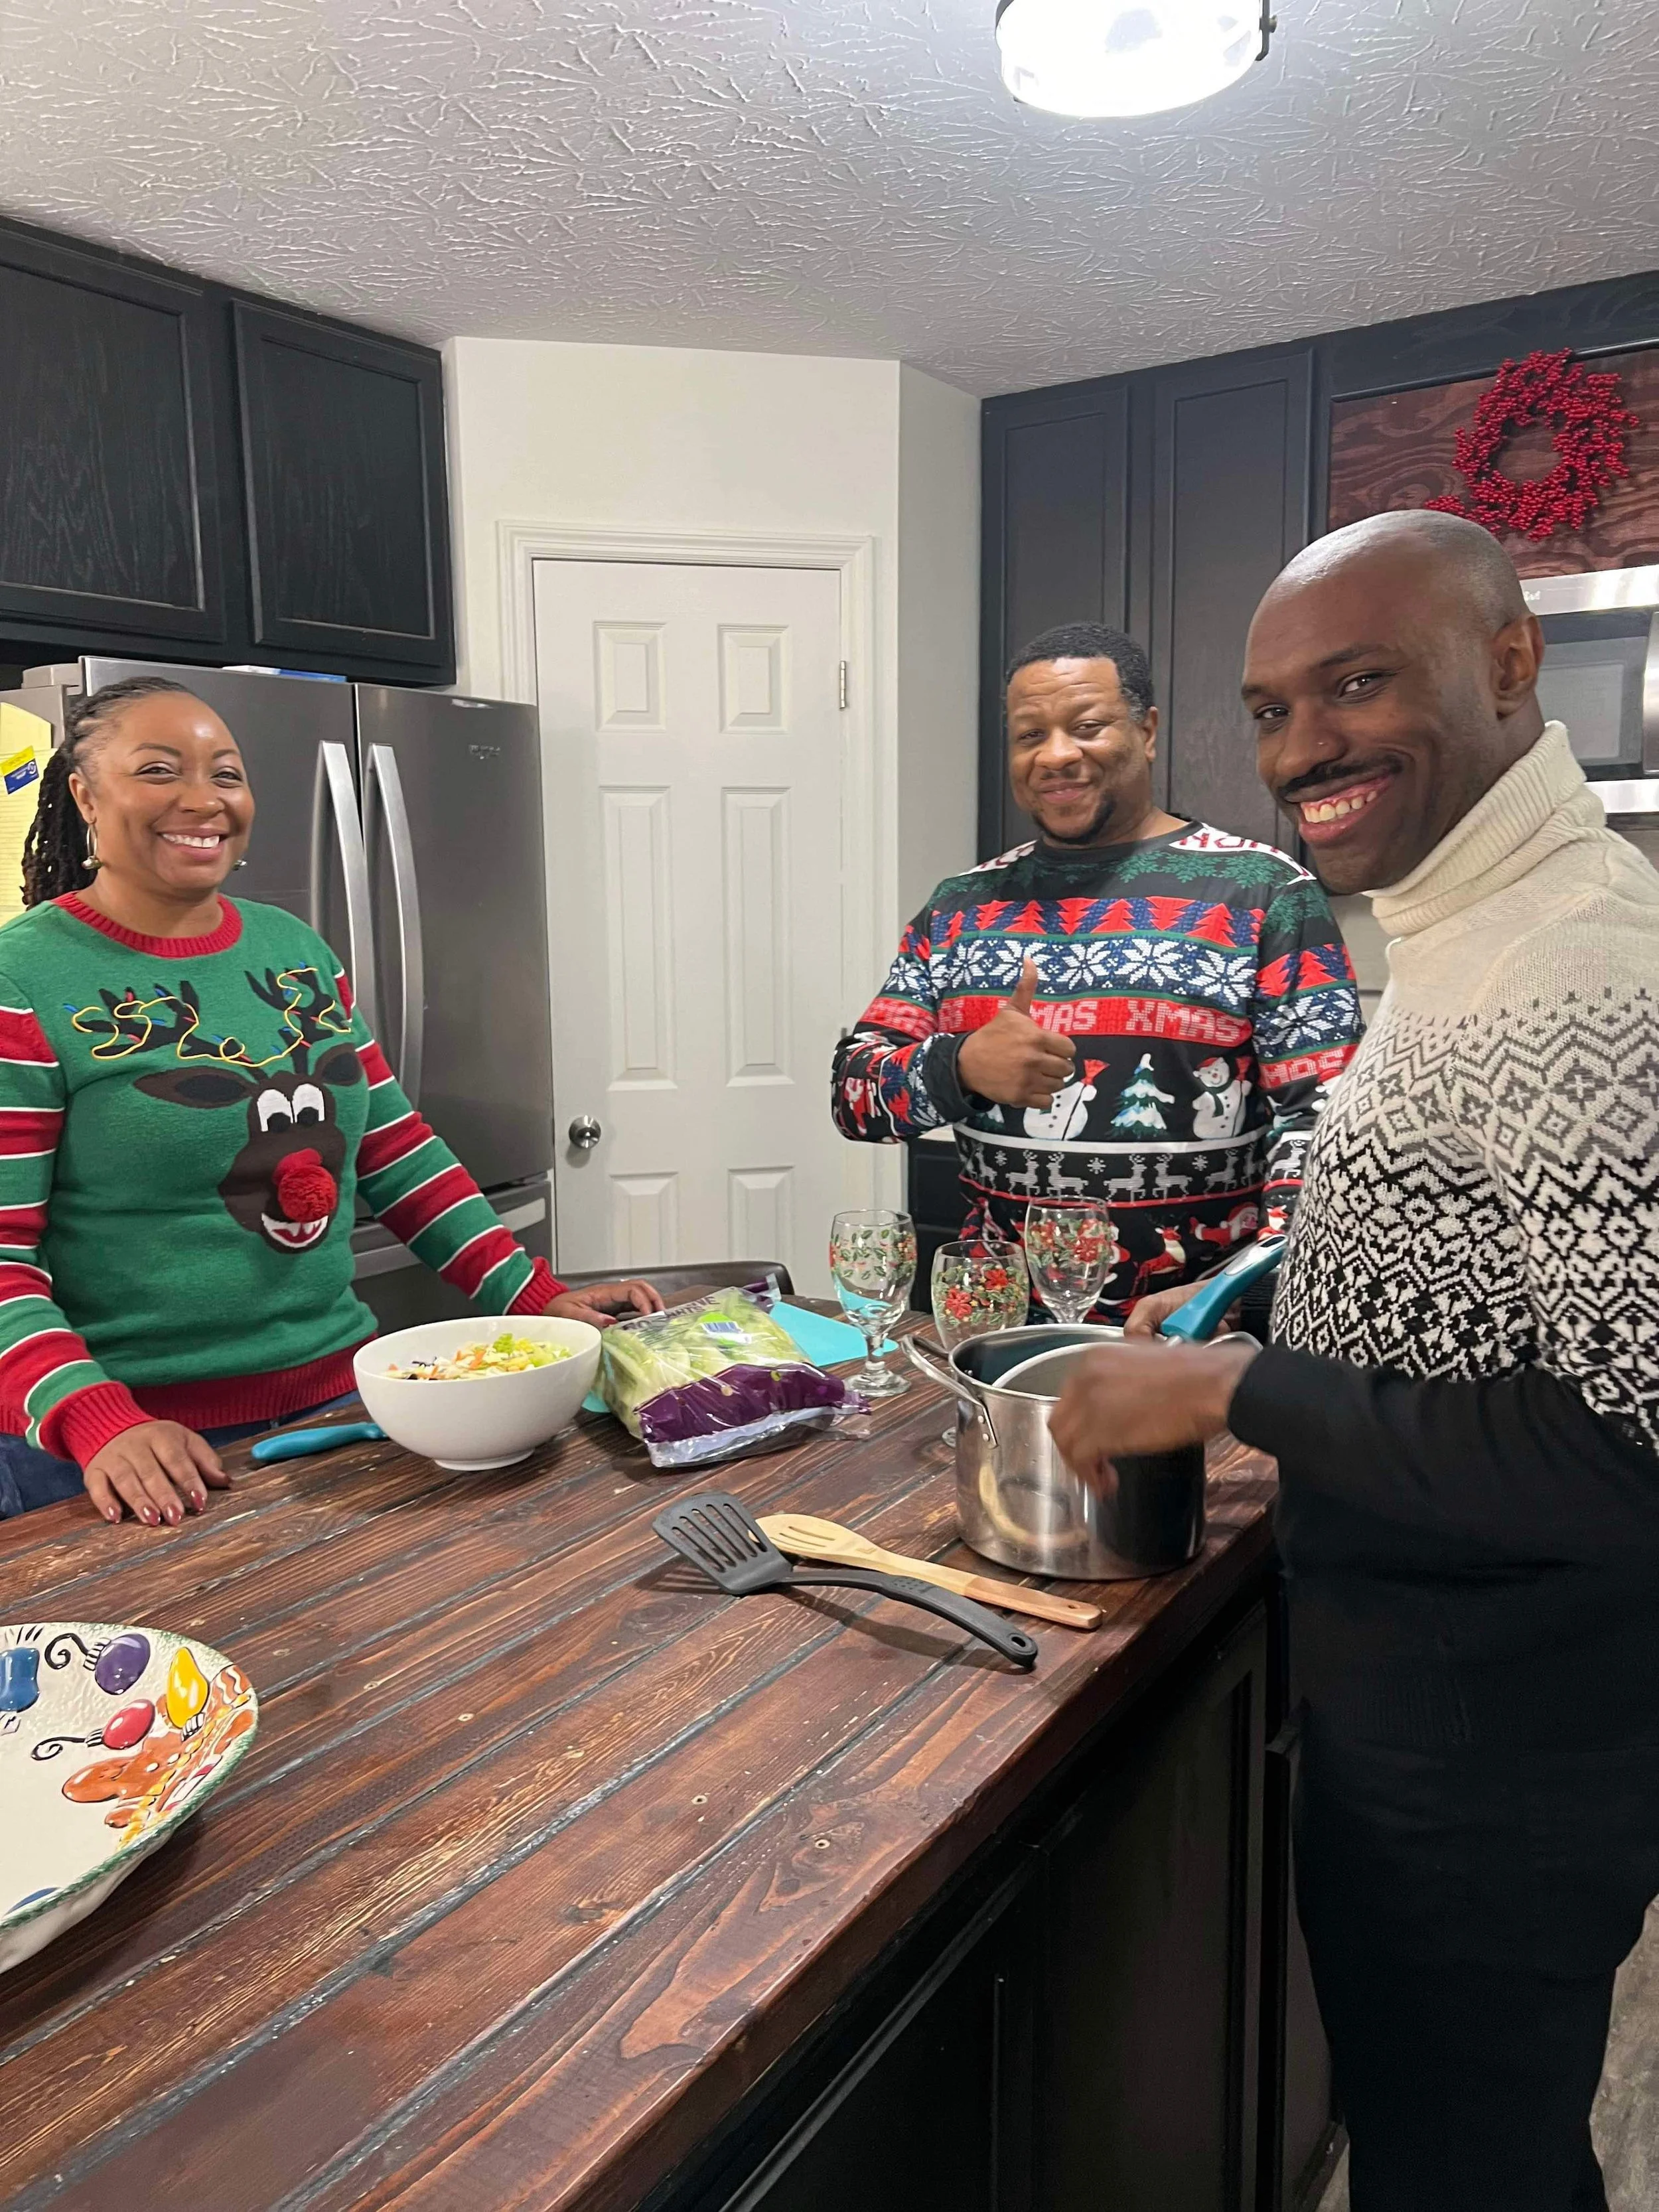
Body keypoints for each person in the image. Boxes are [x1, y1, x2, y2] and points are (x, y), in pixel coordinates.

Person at [1050, 512, 1659, 2211]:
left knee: (1467, 2174)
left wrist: (1236, 1392)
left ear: (1511, 663)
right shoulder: (1469, 920)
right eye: (1269, 708)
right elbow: (1482, 1282)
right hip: (1445, 1699)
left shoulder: (1575, 970)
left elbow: (1636, 1446)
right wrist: (1265, 1312)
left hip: (1504, 1751)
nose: (1303, 748)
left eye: (1359, 683)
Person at [0, 675, 661, 1526]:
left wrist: (531, 1296)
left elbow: (393, 1148)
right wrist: (97, 1421)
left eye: (227, 774)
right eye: (159, 771)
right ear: (86, 793)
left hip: (343, 1407)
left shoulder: (292, 949)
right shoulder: (22, 980)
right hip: (129, 1455)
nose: (202, 800)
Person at [831, 622, 1362, 1319]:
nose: (1055, 756)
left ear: (1145, 731)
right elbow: (854, 1098)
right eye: (1029, 736)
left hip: (1194, 1334)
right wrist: (957, 1067)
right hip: (999, 1328)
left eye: (1086, 726)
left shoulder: (1264, 893)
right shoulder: (959, 907)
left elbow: (1327, 1128)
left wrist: (1240, 1294)